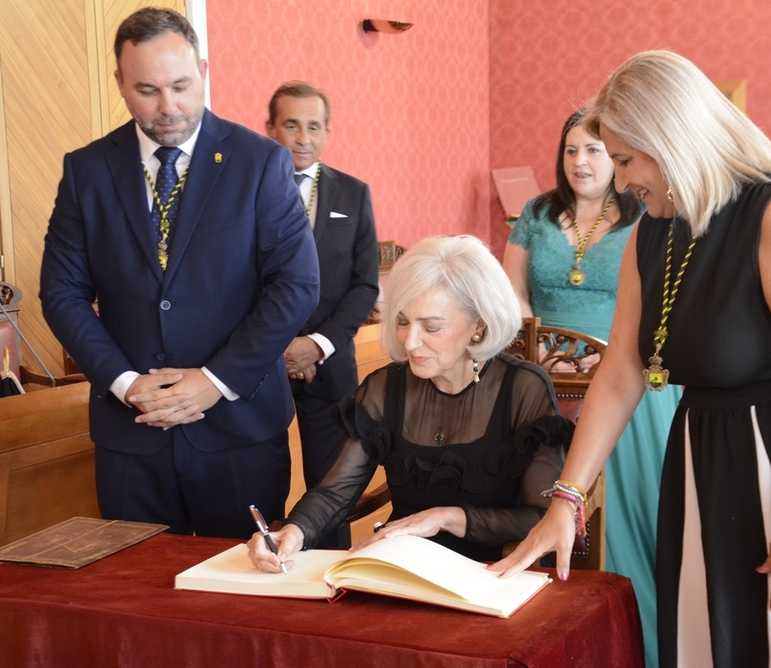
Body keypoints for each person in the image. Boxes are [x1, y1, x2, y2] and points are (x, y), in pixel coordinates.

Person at [493, 51, 771, 668]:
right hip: (710, 450)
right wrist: (567, 499)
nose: (617, 178)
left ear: (671, 138)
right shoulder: (653, 227)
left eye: (627, 159)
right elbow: (624, 369)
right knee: (710, 630)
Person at [39, 7, 319, 538]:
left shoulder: (260, 163)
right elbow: (61, 292)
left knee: (238, 597)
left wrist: (213, 382)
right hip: (131, 434)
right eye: (147, 90)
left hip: (239, 431)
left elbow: (296, 284)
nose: (169, 107)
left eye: (181, 86)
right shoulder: (87, 170)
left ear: (204, 71)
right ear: (119, 82)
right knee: (138, 600)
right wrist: (126, 384)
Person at [248, 235, 572, 569]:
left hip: (496, 573)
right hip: (402, 572)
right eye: (402, 321)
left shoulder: (522, 388)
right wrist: (294, 532)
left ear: (479, 324)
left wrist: (446, 517)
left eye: (431, 327)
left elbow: (541, 517)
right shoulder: (386, 387)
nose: (411, 341)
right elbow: (336, 492)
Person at [503, 109, 675, 668]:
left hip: (625, 376)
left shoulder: (644, 215)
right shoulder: (535, 213)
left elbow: (654, 303)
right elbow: (513, 292)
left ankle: (641, 625)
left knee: (631, 510)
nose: (581, 161)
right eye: (572, 150)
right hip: (544, 377)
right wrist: (540, 348)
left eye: (596, 151)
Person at [265, 82, 380, 546]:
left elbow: (365, 284)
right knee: (262, 480)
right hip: (260, 365)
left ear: (328, 131)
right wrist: (279, 348)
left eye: (314, 127)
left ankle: (332, 579)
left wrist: (317, 345)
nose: (303, 138)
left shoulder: (353, 194)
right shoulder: (245, 192)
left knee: (330, 488)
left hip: (331, 365)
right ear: (271, 128)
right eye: (291, 125)